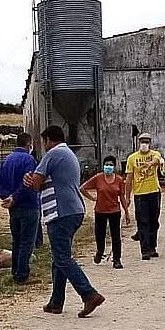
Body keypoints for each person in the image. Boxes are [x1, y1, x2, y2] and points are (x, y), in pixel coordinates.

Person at [24, 126, 105, 318]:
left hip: (60, 212)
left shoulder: (53, 154)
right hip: (73, 209)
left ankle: (89, 294)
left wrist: (30, 180)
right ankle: (56, 301)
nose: (43, 146)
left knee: (62, 258)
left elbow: (35, 183)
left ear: (49, 140)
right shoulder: (68, 154)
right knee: (58, 257)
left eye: (44, 142)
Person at [0, 132, 40, 285]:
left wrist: (7, 197)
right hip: (28, 204)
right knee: (27, 241)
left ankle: (15, 271)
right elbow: (28, 183)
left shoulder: (6, 160)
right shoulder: (29, 160)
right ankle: (22, 274)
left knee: (16, 240)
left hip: (13, 207)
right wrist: (15, 197)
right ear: (29, 144)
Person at [80, 155, 131, 269]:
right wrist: (92, 198)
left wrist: (126, 212)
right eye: (106, 165)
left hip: (114, 211)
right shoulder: (98, 178)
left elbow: (122, 196)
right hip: (100, 211)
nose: (108, 167)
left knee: (116, 236)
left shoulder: (118, 180)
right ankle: (100, 251)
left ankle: (117, 259)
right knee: (100, 235)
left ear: (114, 166)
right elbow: (83, 188)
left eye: (111, 165)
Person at [124, 132, 165, 260]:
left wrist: (150, 164)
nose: (144, 144)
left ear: (150, 143)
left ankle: (152, 247)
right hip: (140, 194)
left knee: (154, 221)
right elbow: (129, 178)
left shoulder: (155, 154)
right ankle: (145, 249)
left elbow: (158, 160)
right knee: (143, 222)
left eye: (146, 142)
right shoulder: (132, 158)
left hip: (154, 191)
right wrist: (127, 196)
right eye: (142, 141)